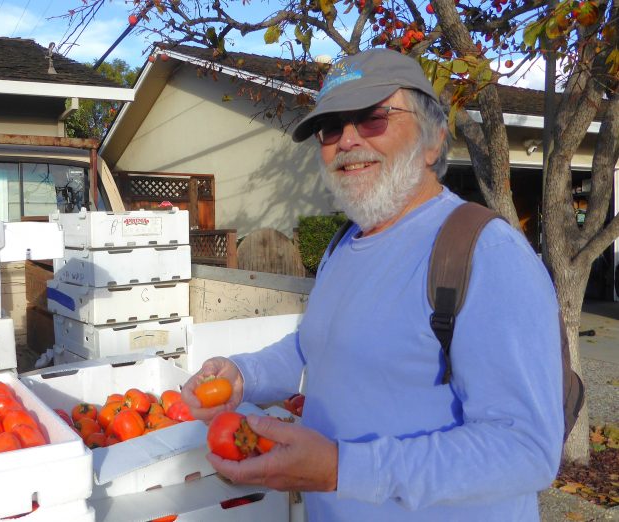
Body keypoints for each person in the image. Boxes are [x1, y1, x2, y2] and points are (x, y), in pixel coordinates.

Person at [182, 49, 564, 521]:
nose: (347, 141)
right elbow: (314, 347)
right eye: (331, 127)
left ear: (432, 140)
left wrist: (344, 469)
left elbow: (524, 448)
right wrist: (245, 375)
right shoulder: (343, 246)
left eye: (371, 118)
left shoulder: (484, 252)